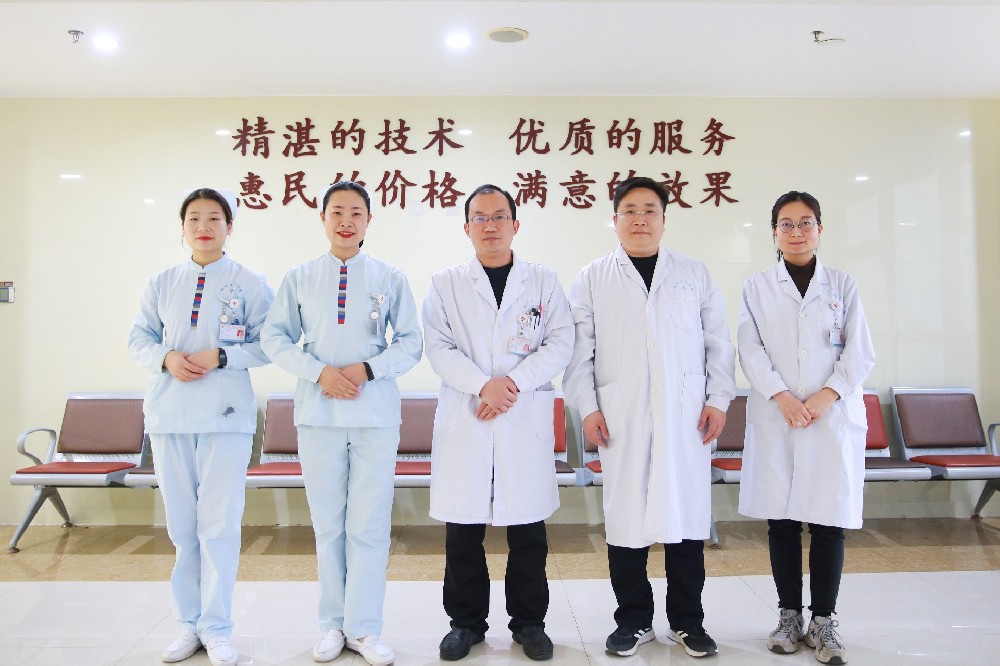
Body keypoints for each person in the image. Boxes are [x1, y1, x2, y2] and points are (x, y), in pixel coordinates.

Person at [563, 177, 736, 659]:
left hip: (686, 417)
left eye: (650, 210)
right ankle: (633, 620)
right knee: (626, 521)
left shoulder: (693, 273)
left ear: (663, 219)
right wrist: (588, 407)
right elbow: (579, 353)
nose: (640, 219)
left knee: (686, 518)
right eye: (630, 210)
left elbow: (718, 343)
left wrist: (719, 399)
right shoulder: (592, 277)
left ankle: (688, 621)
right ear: (614, 219)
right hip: (621, 417)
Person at [260, 181, 422, 666]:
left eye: (356, 212)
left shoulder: (390, 276)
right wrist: (319, 373)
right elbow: (274, 338)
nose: (346, 220)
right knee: (329, 525)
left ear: (369, 220)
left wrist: (369, 369)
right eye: (336, 211)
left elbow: (410, 342)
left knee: (368, 526)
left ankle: (365, 629)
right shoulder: (300, 277)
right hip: (319, 415)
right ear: (323, 218)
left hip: (374, 416)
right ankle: (332, 625)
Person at [422, 184, 574, 662]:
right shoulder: (445, 283)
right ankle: (465, 624)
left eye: (499, 216)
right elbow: (438, 346)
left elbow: (561, 341)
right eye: (480, 217)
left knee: (527, 530)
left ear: (515, 224)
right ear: (467, 227)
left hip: (521, 414)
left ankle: (529, 623)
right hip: (469, 415)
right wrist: (481, 385)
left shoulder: (543, 281)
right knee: (463, 530)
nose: (490, 225)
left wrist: (511, 384)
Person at [128, 188, 274, 666]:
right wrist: (165, 356)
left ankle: (217, 627)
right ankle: (188, 625)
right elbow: (139, 338)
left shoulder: (250, 283)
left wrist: (223, 355)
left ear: (230, 226)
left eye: (214, 218)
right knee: (182, 527)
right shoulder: (162, 283)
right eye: (194, 218)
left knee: (219, 526)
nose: (204, 226)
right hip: (170, 416)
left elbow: (271, 343)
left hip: (225, 418)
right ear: (183, 227)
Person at [737, 191, 875, 664]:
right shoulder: (756, 287)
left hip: (829, 416)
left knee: (828, 520)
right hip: (778, 416)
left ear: (820, 229)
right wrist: (781, 396)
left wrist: (825, 396)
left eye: (805, 222)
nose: (796, 231)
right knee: (781, 521)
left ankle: (824, 620)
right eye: (786, 223)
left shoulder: (843, 284)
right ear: (774, 232)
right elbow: (750, 350)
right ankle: (789, 615)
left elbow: (859, 352)